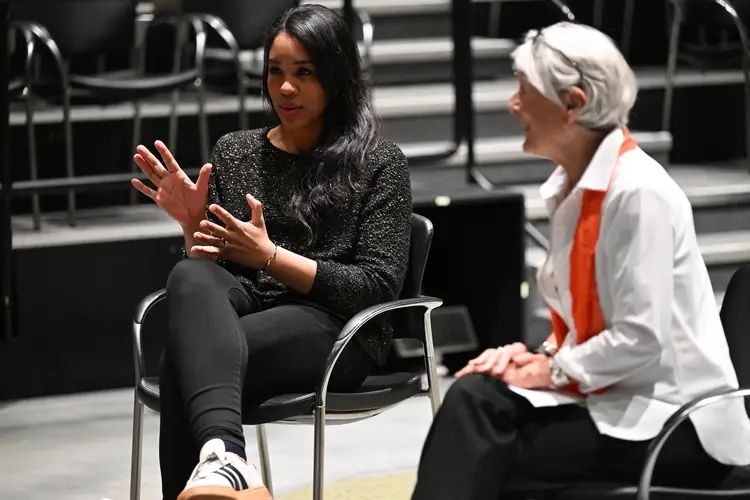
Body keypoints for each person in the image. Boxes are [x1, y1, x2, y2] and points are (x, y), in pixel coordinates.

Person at [411, 21, 750, 500]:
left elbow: (639, 338)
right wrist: (536, 357)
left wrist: (548, 370)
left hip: (679, 422)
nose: (513, 104)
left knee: (483, 430)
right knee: (480, 401)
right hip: (623, 398)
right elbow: (589, 326)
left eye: (525, 91)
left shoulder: (638, 193)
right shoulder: (575, 188)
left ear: (573, 103)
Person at [131, 5, 412, 500]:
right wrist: (193, 224)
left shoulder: (379, 164)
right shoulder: (236, 151)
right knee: (189, 278)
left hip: (336, 328)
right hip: (249, 310)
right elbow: (214, 275)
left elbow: (374, 287)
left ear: (336, 74)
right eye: (275, 72)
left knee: (185, 356)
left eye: (304, 73)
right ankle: (226, 459)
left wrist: (270, 257)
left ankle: (221, 462)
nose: (285, 88)